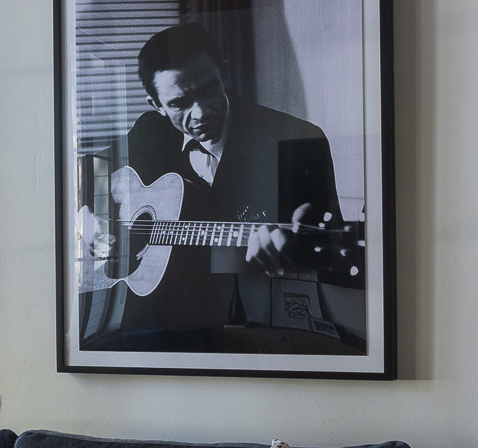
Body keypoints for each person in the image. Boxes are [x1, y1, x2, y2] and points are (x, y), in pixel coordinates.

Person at [117, 20, 350, 341]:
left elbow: (329, 252)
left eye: (208, 89)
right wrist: (91, 213)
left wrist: (291, 249)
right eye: (179, 103)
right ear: (156, 105)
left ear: (223, 73)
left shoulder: (298, 139)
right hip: (161, 320)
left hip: (258, 326)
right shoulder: (149, 132)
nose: (200, 113)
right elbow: (90, 173)